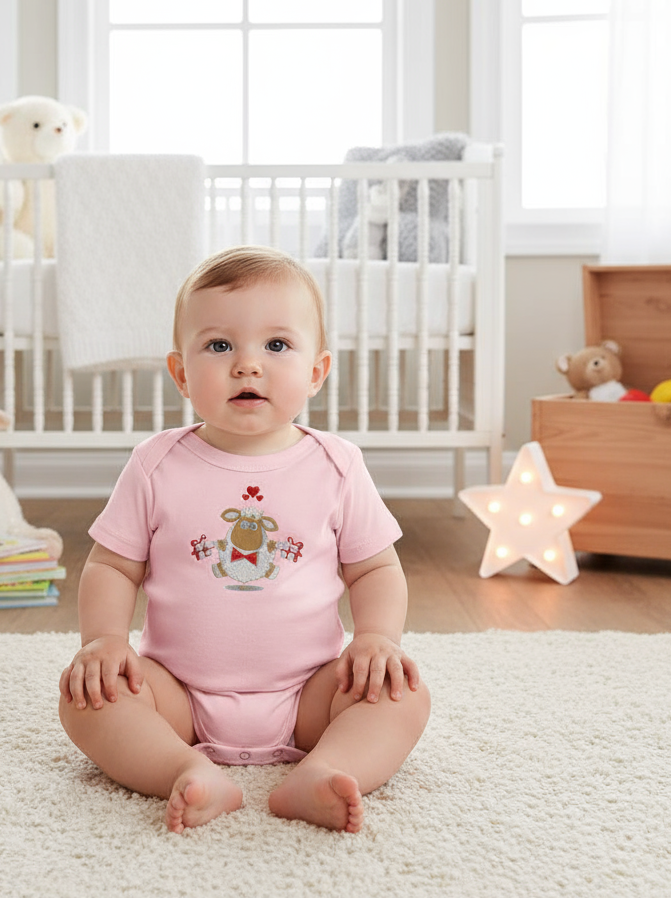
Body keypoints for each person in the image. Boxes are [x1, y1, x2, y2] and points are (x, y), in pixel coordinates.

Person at [58, 245, 430, 834]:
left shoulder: (337, 465)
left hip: (311, 693)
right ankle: (184, 770)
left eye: (277, 345)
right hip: (176, 693)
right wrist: (103, 641)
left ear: (317, 371)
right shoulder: (156, 465)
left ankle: (327, 769)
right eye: (220, 345)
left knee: (402, 693)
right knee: (87, 699)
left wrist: (378, 638)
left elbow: (375, 569)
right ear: (181, 371)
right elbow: (112, 566)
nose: (247, 365)